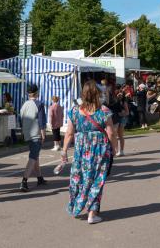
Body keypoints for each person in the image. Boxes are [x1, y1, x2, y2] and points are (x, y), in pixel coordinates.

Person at [62, 80, 118, 224]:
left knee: (79, 177)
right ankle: (92, 213)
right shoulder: (103, 111)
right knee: (97, 179)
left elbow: (69, 133)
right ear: (97, 94)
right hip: (100, 149)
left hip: (81, 149)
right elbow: (111, 133)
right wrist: (115, 148)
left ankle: (76, 206)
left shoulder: (74, 111)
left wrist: (64, 151)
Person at [19, 84, 47, 192]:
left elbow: (21, 118)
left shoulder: (24, 104)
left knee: (35, 156)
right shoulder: (39, 104)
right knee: (32, 157)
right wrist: (43, 133)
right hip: (36, 134)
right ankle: (24, 181)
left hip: (27, 133)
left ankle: (39, 178)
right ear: (37, 92)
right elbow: (41, 121)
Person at [115, 86, 129, 156]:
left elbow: (127, 112)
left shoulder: (124, 102)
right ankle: (117, 150)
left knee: (120, 135)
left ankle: (122, 150)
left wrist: (122, 113)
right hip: (116, 118)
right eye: (118, 94)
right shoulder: (115, 101)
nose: (119, 95)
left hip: (122, 118)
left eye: (121, 94)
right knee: (116, 135)